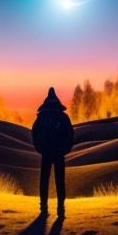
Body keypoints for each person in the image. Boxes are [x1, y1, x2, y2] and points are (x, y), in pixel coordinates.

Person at [31, 87, 74, 217]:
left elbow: (35, 133)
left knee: (45, 179)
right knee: (59, 179)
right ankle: (60, 207)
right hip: (57, 153)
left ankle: (44, 207)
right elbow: (70, 135)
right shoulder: (63, 117)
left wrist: (41, 148)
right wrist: (63, 150)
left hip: (48, 153)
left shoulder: (41, 117)